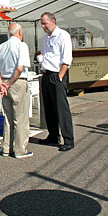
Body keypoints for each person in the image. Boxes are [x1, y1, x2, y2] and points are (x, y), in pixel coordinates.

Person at [0, 23, 33, 159]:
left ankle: (7, 147)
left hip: (4, 81)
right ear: (20, 32)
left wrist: (1, 84)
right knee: (20, 117)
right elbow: (20, 67)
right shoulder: (22, 46)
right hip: (17, 81)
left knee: (8, 117)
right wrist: (9, 83)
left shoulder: (1, 46)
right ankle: (20, 149)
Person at [38, 12, 75, 152]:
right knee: (49, 107)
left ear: (53, 22)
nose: (43, 26)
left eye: (45, 23)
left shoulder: (63, 36)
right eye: (42, 23)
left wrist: (60, 76)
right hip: (46, 73)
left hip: (56, 74)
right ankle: (53, 135)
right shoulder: (46, 38)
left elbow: (66, 58)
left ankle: (68, 139)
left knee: (61, 108)